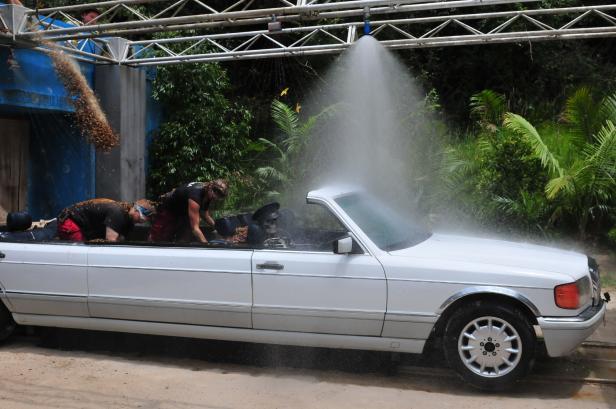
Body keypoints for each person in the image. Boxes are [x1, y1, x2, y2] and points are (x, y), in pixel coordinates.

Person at [149, 179, 229, 243]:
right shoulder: (195, 196)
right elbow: (195, 228)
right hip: (169, 209)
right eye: (216, 193)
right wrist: (207, 246)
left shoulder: (207, 192)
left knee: (185, 236)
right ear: (211, 186)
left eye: (219, 196)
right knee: (158, 238)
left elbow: (205, 215)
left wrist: (219, 229)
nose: (216, 197)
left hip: (183, 211)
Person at [57, 198, 155, 242]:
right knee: (79, 255)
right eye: (141, 218)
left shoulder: (129, 221)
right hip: (70, 221)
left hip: (84, 227)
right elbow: (110, 241)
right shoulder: (118, 213)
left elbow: (122, 241)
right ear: (136, 210)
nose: (140, 222)